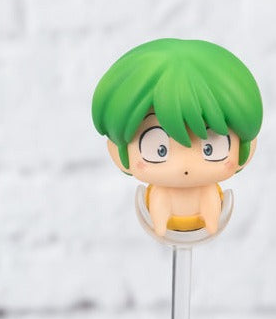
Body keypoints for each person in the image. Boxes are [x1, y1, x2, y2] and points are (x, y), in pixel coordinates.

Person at [92, 38, 262, 238]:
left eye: (209, 148)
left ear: (247, 148)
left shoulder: (209, 192)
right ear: (117, 152)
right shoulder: (158, 195)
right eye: (160, 150)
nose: (185, 166)